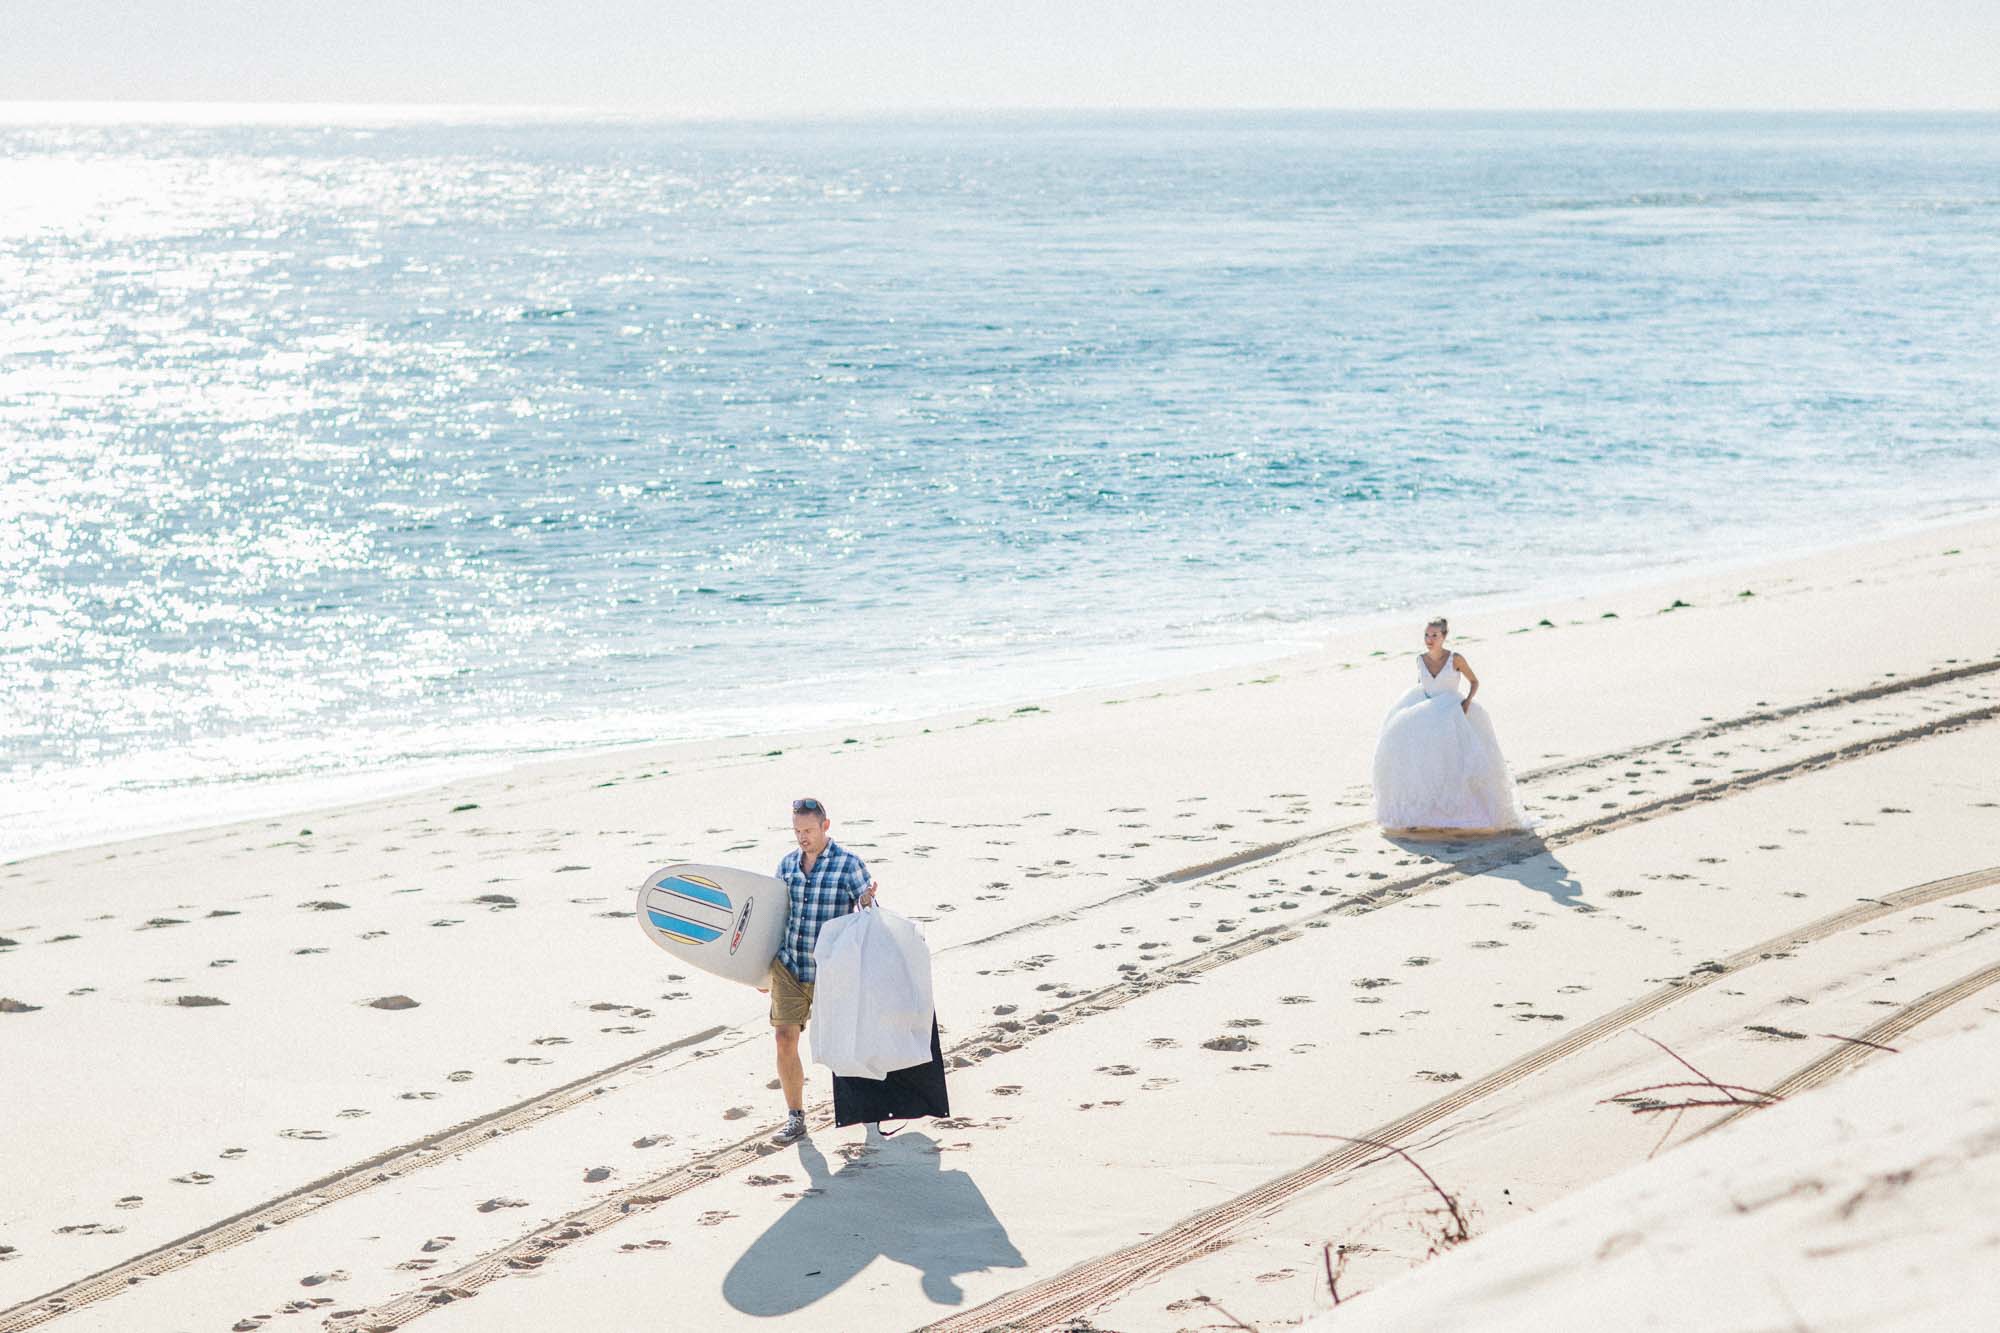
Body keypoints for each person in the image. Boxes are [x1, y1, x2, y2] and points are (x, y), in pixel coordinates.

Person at [765, 796, 877, 1145]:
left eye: (809, 830)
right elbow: (773, 917)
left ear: (825, 826)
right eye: (797, 831)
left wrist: (867, 902)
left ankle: (869, 1111)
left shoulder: (848, 864)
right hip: (790, 965)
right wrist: (759, 968)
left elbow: (866, 913)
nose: (802, 837)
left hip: (832, 970)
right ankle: (796, 1117)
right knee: (784, 1039)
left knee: (843, 1045)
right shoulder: (786, 865)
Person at [1372, 617, 1530, 833]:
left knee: (1457, 763)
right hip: (1427, 714)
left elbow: (1474, 681)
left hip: (1452, 712)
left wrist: (1467, 702)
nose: (1429, 640)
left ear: (1444, 637)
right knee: (1419, 761)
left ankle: (1462, 814)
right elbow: (1424, 685)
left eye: (1434, 635)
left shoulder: (1455, 659)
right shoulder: (1420, 660)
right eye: (1427, 635)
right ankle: (1416, 814)